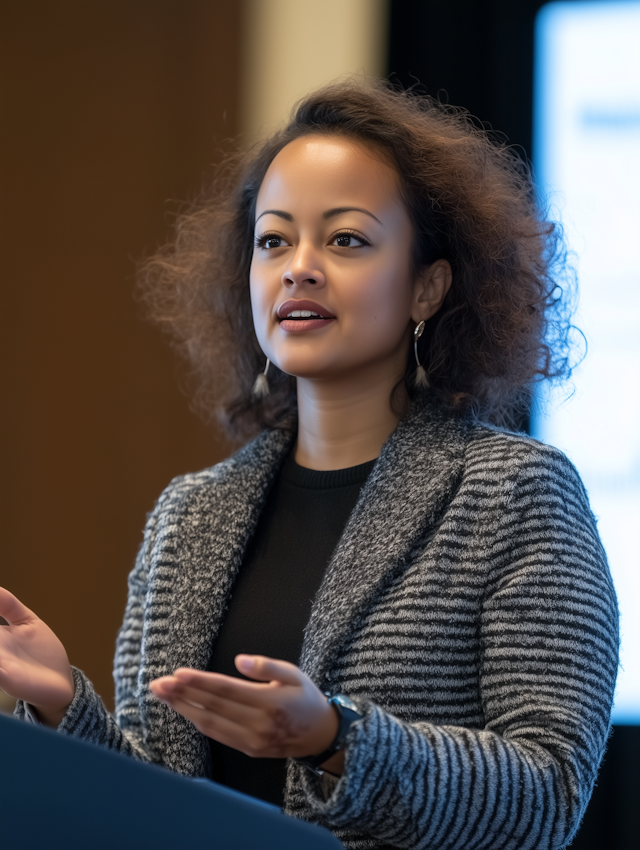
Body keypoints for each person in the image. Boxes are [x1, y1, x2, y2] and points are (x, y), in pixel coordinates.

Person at [0, 79, 619, 849]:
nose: (300, 267)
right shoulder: (188, 515)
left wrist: (335, 740)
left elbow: (548, 795)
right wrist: (64, 707)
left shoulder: (518, 494)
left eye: (346, 240)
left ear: (428, 285)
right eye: (274, 240)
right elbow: (160, 800)